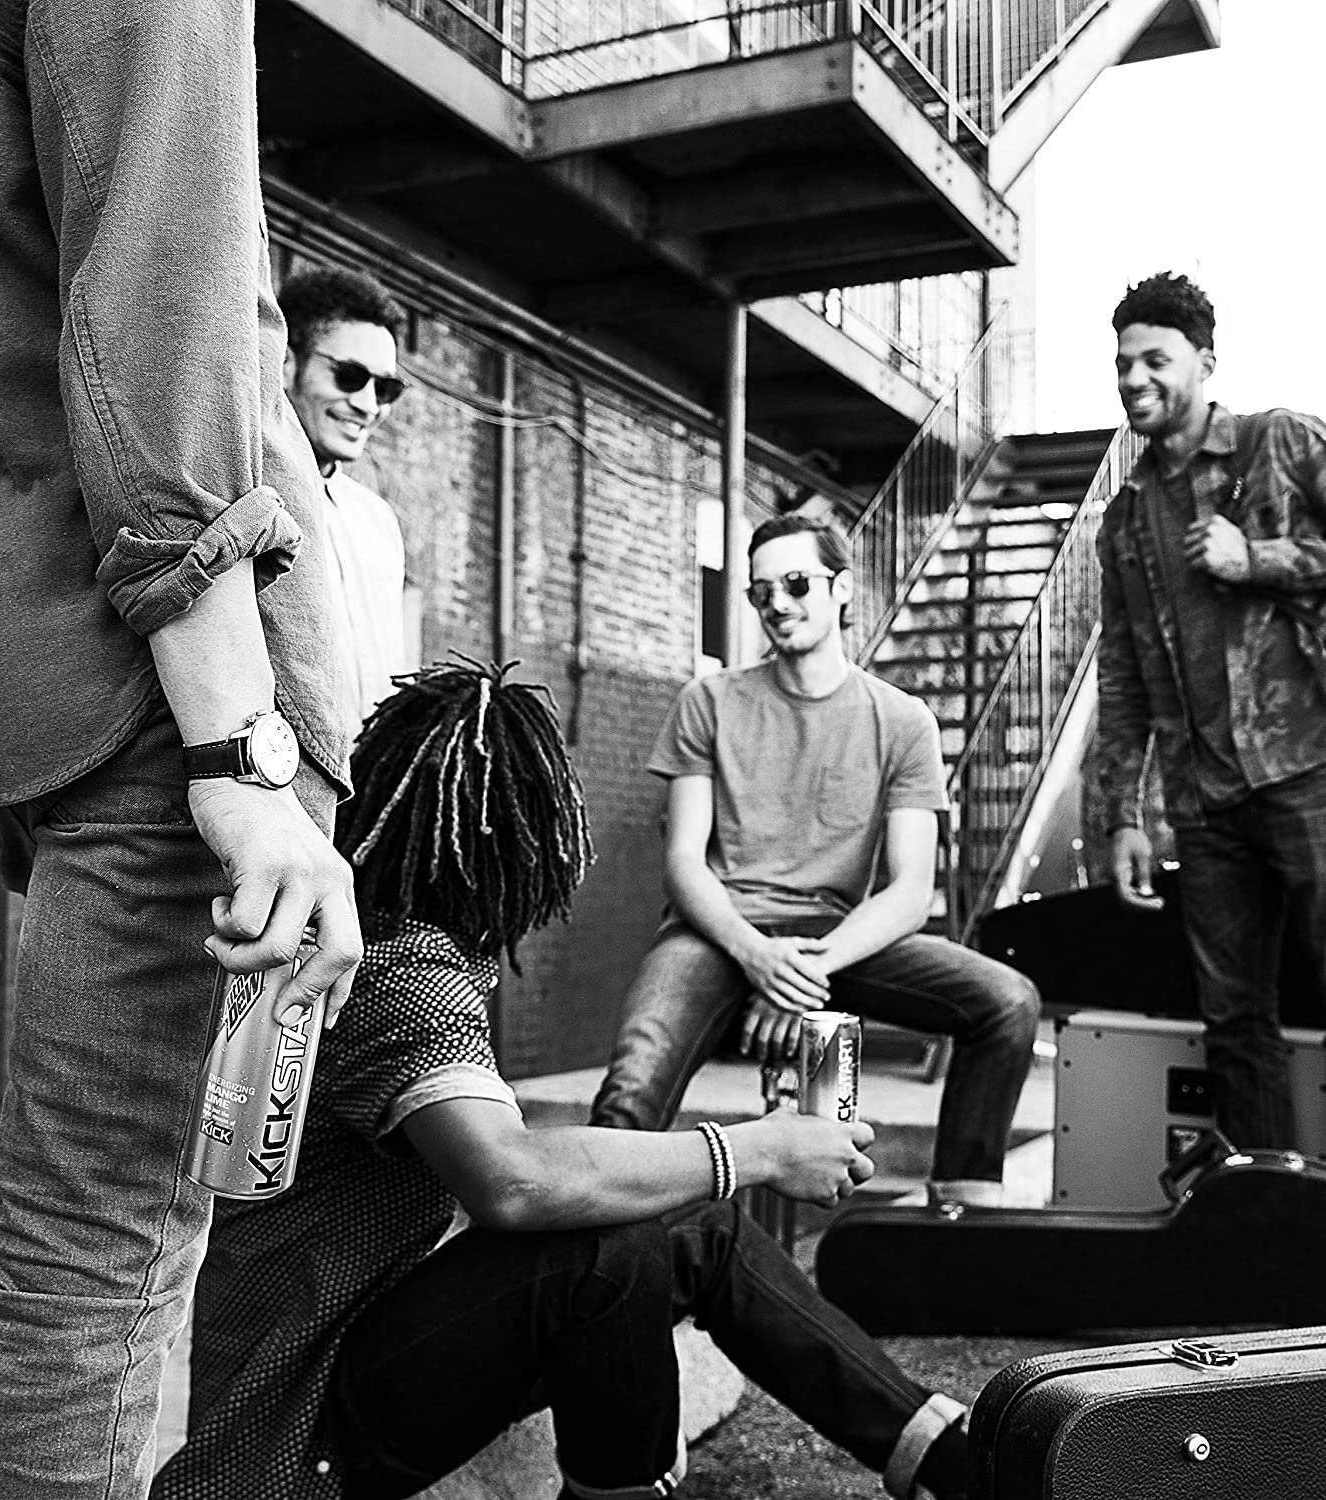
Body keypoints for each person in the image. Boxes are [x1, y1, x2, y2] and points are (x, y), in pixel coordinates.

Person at [0, 6, 362, 1498]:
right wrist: (245, 751)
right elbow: (163, 299)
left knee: (73, 1266)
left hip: (2, 655)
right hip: (163, 691)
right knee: (90, 1278)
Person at [154, 660, 971, 1500]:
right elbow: (513, 1180)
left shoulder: (378, 943)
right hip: (298, 1428)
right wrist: (759, 1149)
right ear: (519, 846)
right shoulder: (406, 973)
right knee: (607, 1252)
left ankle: (941, 1452)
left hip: (351, 1357)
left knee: (698, 1227)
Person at [590, 514, 1040, 1208]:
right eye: (761, 590)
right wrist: (756, 956)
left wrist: (802, 974)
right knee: (631, 1086)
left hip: (837, 940)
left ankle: (961, 1213)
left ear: (842, 588)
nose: (778, 602)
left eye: (797, 583)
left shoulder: (902, 720)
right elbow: (683, 863)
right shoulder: (708, 701)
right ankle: (590, 1245)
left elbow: (910, 892)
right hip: (717, 932)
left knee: (1007, 1003)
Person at [1097, 270, 1326, 1150]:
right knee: (1233, 1025)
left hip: (1309, 774)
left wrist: (1255, 559)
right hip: (1206, 807)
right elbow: (1122, 674)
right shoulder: (1124, 519)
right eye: (1123, 363)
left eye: (1155, 359)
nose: (1134, 379)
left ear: (1205, 363)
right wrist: (1123, 814)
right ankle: (1263, 1208)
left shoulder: (1281, 440)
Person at [280, 265, 411, 730]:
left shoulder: (379, 521)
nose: (369, 405)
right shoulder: (244, 496)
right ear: (285, 363)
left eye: (387, 388)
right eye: (349, 376)